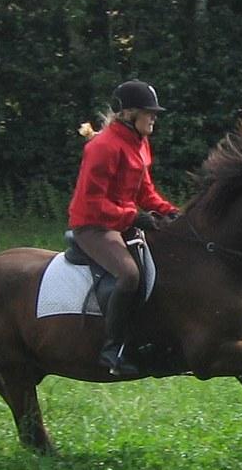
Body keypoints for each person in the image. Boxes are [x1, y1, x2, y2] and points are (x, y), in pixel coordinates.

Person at [68, 80, 179, 375]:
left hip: (119, 222)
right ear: (129, 113)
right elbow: (93, 202)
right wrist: (132, 217)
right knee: (129, 275)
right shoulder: (102, 147)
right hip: (93, 226)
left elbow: (145, 192)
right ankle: (112, 349)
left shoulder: (139, 143)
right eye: (148, 112)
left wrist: (168, 211)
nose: (153, 118)